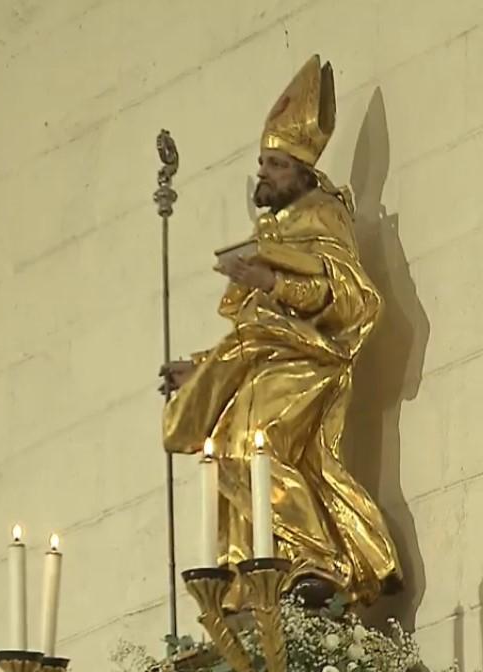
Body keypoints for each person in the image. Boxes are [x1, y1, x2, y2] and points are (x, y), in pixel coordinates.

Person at [159, 55, 401, 610]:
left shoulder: (322, 217)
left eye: (275, 164)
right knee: (224, 448)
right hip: (267, 356)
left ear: (302, 171)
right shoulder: (272, 228)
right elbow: (252, 331)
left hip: (308, 358)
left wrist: (271, 280)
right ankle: (257, 579)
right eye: (262, 162)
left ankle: (322, 559)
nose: (263, 173)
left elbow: (341, 298)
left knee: (252, 447)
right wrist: (200, 368)